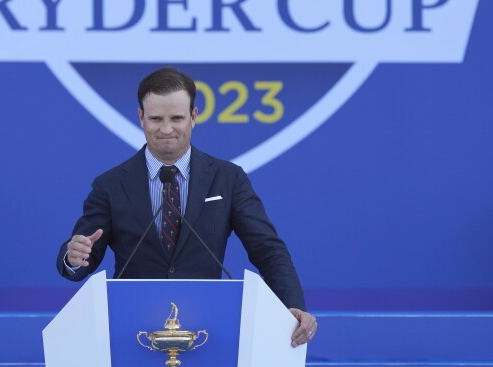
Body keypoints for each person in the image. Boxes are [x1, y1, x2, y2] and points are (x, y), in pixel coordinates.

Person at [56, 67, 317, 347]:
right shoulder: (109, 185)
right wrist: (74, 257)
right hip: (132, 331)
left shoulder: (228, 178)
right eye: (156, 118)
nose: (166, 129)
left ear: (194, 116)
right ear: (141, 118)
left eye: (177, 118)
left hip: (208, 329)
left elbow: (268, 250)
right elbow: (80, 257)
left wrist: (292, 306)